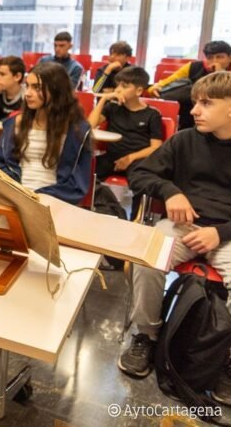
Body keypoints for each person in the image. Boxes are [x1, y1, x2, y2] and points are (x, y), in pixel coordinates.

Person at [119, 72, 231, 399]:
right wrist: (169, 191)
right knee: (150, 253)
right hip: (184, 225)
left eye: (206, 103)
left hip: (227, 233)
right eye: (195, 101)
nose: (195, 109)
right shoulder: (184, 140)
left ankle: (225, 358)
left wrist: (219, 232)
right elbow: (139, 173)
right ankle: (146, 336)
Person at [0, 61, 92, 204]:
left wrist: (38, 196)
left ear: (56, 90)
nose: (28, 93)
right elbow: (1, 166)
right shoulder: (16, 123)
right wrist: (18, 193)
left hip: (55, 200)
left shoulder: (77, 131)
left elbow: (76, 186)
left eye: (36, 87)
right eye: (27, 86)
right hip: (15, 197)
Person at [87, 66, 162, 181]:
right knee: (85, 170)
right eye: (118, 85)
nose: (118, 90)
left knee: (141, 179)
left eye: (124, 86)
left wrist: (130, 158)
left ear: (139, 91)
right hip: (112, 157)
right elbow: (89, 126)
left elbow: (156, 147)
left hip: (137, 159)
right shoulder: (112, 107)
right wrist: (104, 99)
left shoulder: (152, 114)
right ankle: (96, 198)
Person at [149, 40, 231, 130]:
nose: (215, 61)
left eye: (220, 57)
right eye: (210, 58)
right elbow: (166, 82)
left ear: (229, 57)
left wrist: (220, 75)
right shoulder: (193, 67)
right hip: (190, 114)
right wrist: (154, 88)